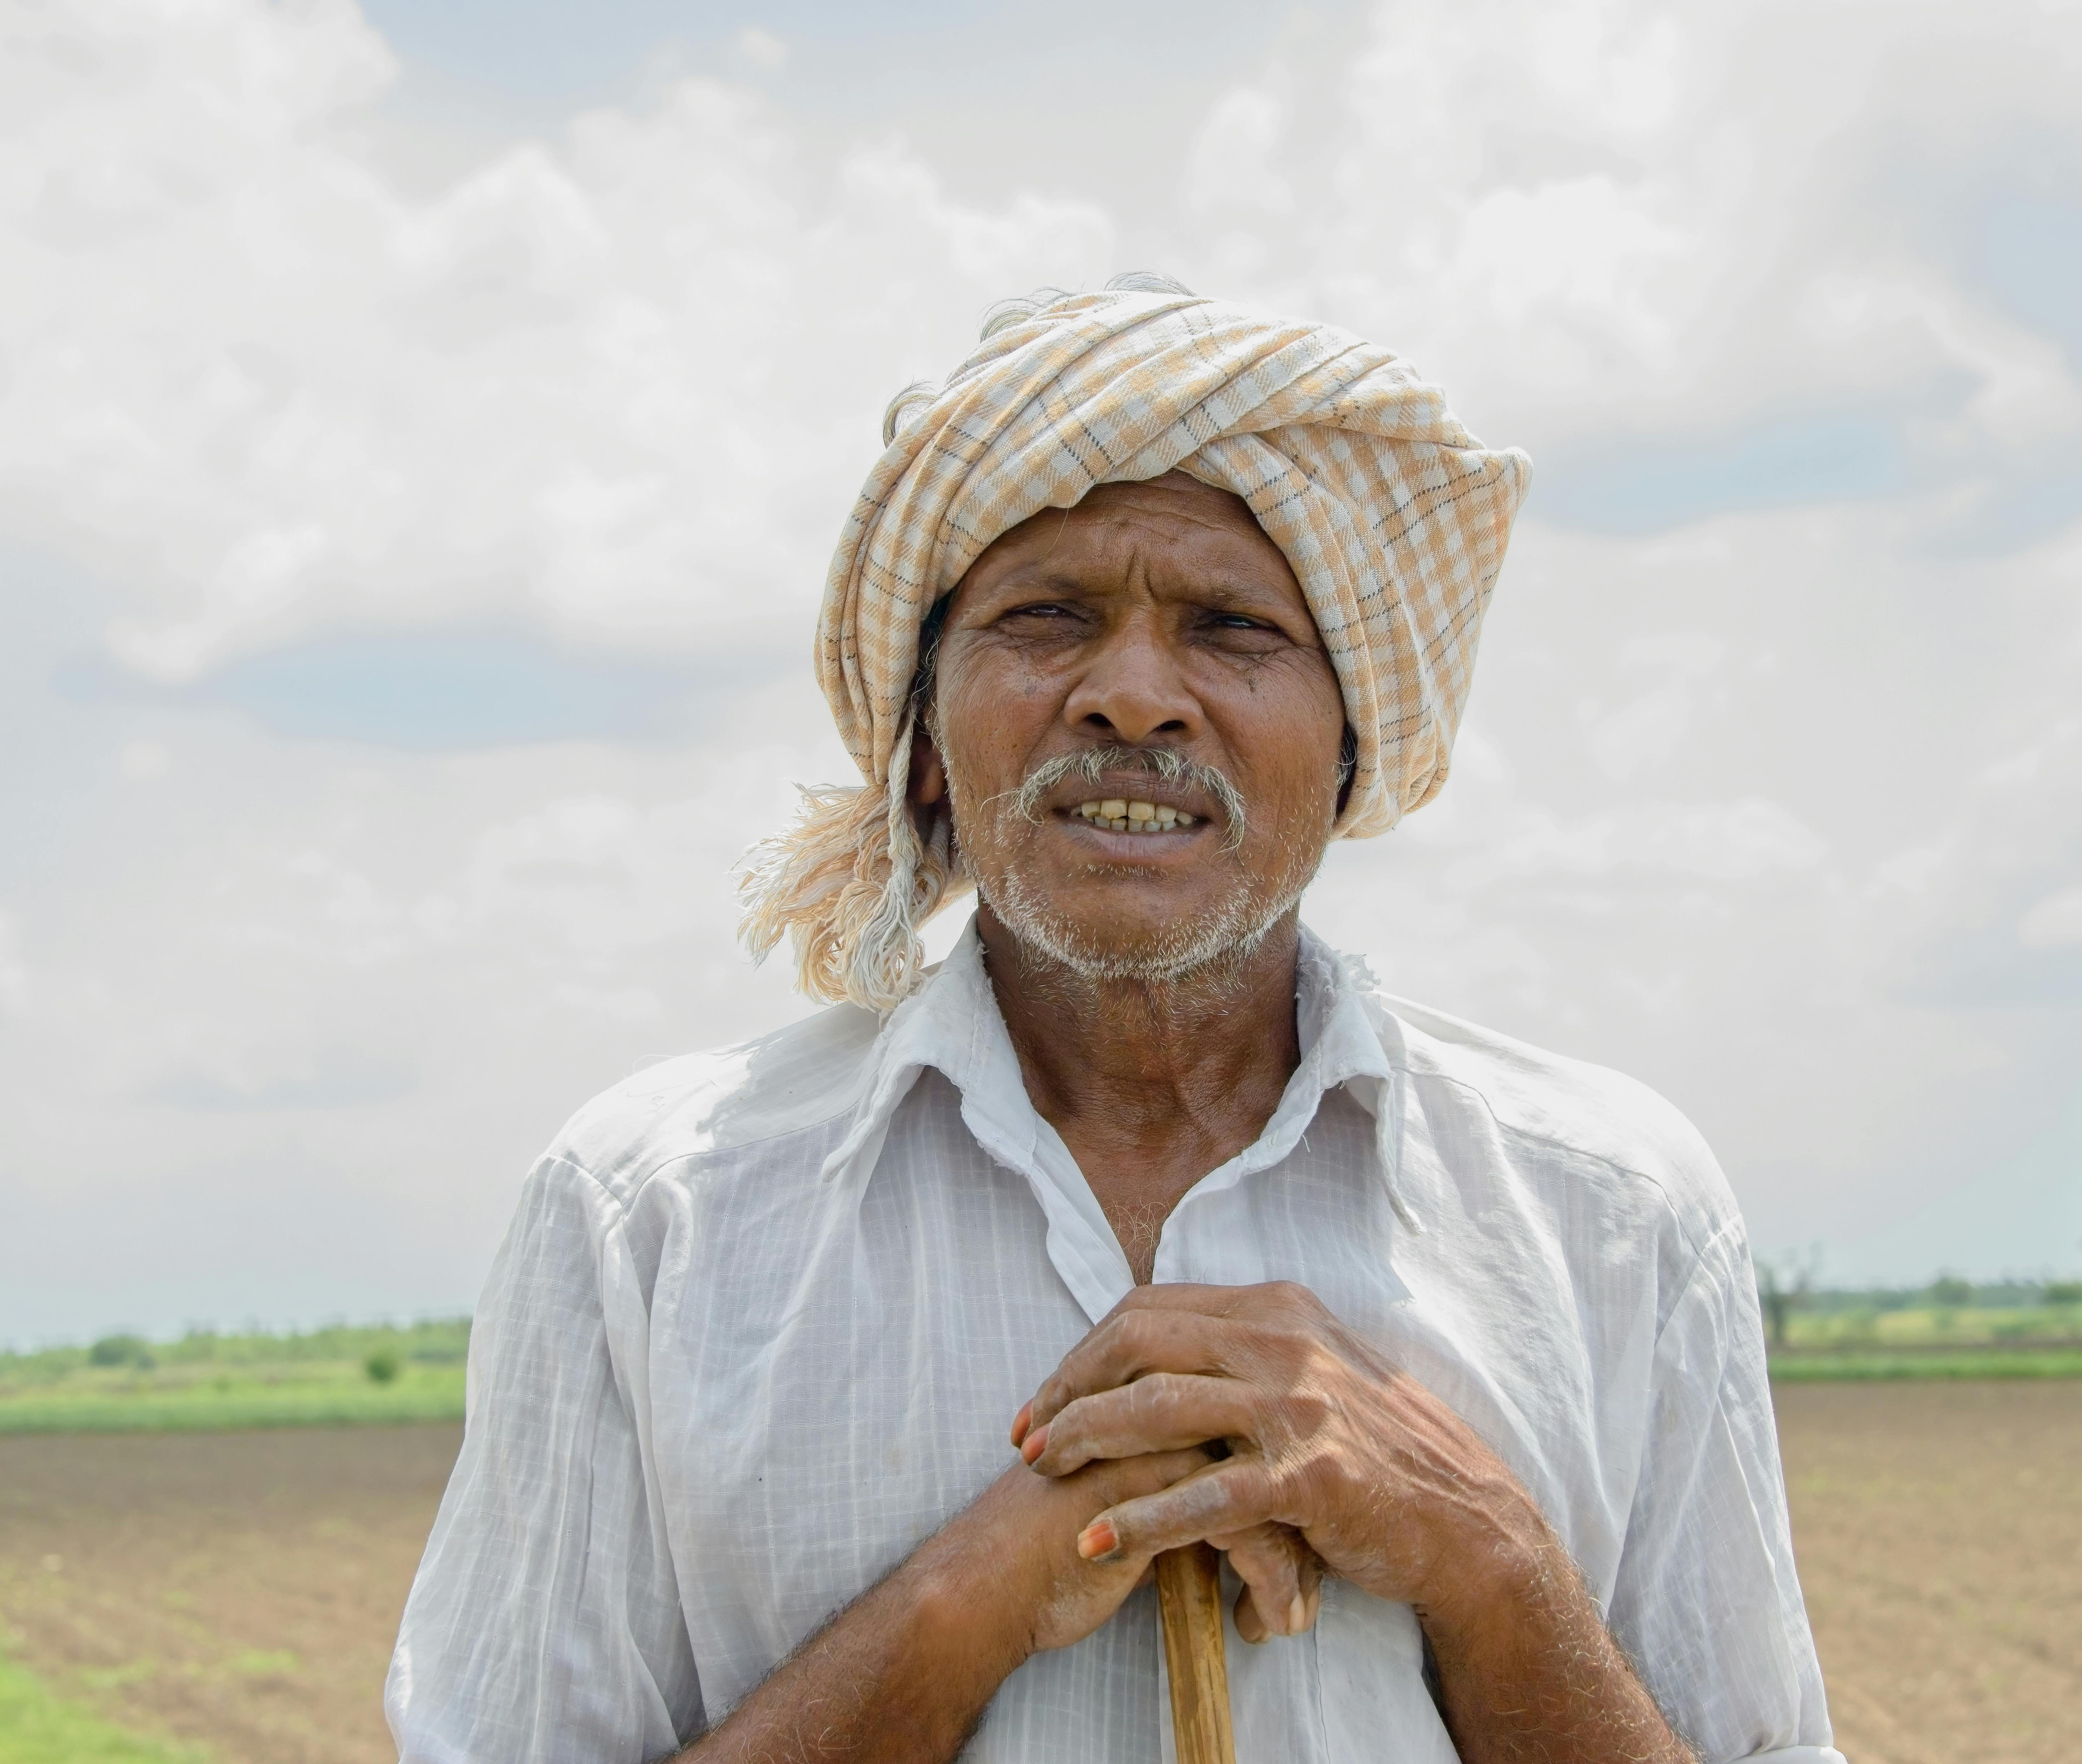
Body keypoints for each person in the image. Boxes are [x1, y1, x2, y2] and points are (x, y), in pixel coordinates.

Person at [387, 275, 1842, 1764]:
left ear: (1351, 751)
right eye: (1047, 618)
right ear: (927, 748)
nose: (1135, 694)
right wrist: (982, 1587)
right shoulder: (654, 1218)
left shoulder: (1606, 1210)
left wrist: (1484, 1559)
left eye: (1230, 628)